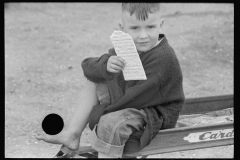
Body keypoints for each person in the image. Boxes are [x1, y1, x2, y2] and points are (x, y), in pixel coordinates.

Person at [35, 3, 185, 158]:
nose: (143, 35)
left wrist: (100, 114)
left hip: (155, 113)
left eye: (150, 27)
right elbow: (88, 67)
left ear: (160, 25)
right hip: (134, 105)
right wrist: (106, 65)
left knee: (109, 123)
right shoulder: (128, 47)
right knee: (97, 78)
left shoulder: (163, 58)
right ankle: (73, 134)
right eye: (135, 28)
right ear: (123, 28)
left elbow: (135, 99)